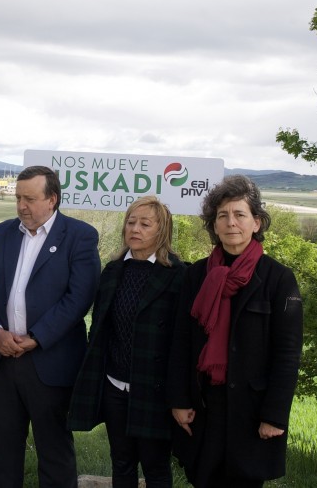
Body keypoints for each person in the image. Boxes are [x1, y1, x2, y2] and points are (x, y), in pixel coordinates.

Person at [167, 175, 303, 487]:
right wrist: (179, 399)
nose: (231, 223)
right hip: (204, 407)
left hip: (252, 412)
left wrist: (275, 415)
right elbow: (181, 341)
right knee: (201, 478)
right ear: (213, 225)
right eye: (222, 216)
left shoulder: (278, 279)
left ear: (256, 223)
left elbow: (288, 353)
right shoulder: (196, 275)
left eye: (240, 215)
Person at [0, 165, 101, 488]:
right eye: (18, 198)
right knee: (1, 458)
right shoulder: (2, 232)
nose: (21, 206)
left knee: (55, 457)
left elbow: (79, 299)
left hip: (50, 364)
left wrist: (36, 338)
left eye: (29, 199)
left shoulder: (80, 236)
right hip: (0, 364)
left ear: (52, 200)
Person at [67, 196, 185, 488]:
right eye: (131, 222)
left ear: (162, 230)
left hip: (154, 390)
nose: (135, 229)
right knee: (121, 462)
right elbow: (100, 331)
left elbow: (183, 342)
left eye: (145, 223)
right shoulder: (114, 271)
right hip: (115, 387)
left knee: (156, 467)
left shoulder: (179, 275)